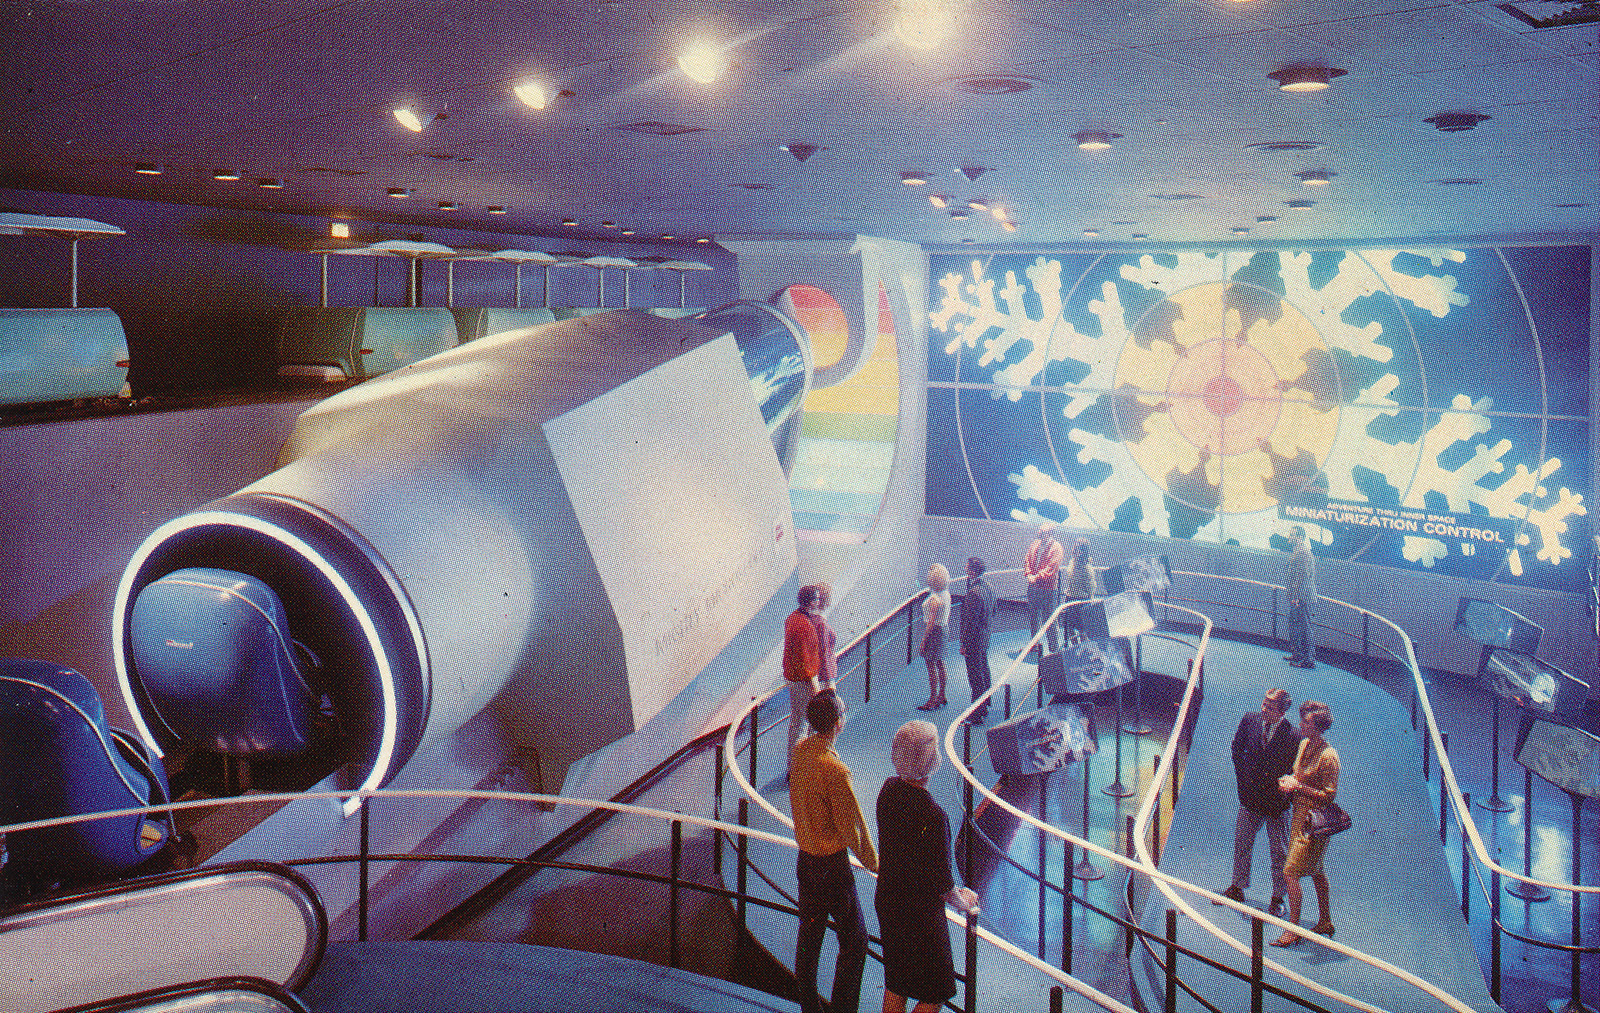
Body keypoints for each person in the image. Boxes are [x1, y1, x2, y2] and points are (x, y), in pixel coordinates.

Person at [875, 720, 979, 1013]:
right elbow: (944, 884)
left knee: (897, 983)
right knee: (935, 990)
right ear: (931, 760)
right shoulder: (934, 814)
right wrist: (964, 899)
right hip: (919, 915)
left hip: (889, 902)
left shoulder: (888, 790)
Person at [791, 690, 878, 1013]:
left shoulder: (800, 752)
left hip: (806, 863)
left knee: (809, 945)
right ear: (838, 722)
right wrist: (874, 863)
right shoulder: (834, 770)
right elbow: (851, 827)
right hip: (832, 869)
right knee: (855, 944)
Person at [1218, 688, 1299, 917]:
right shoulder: (1249, 720)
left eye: (1270, 707)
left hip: (1277, 805)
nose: (1264, 709)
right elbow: (1237, 750)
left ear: (1283, 712)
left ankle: (1277, 898)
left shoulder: (1294, 736)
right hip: (1250, 799)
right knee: (1242, 842)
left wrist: (1285, 797)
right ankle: (1237, 887)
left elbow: (1296, 772)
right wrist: (1242, 782)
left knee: (1279, 853)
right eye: (1264, 704)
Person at [1271, 701, 1340, 947]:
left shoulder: (1329, 756)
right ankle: (1325, 921)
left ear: (1319, 727)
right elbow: (1298, 775)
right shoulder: (1303, 744)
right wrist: (1290, 782)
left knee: (1290, 872)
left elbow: (1329, 796)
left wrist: (1298, 786)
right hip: (1298, 815)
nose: (1300, 724)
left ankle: (1293, 929)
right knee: (1317, 870)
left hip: (1314, 822)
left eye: (1306, 722)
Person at [785, 585, 825, 775]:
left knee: (796, 723)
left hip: (792, 678)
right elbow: (807, 661)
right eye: (816, 599)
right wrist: (816, 688)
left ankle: (793, 767)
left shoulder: (793, 617)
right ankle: (796, 771)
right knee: (803, 724)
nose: (819, 601)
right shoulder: (805, 626)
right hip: (802, 681)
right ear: (809, 602)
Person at [957, 558, 995, 723]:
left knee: (975, 676)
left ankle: (977, 713)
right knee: (984, 669)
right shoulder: (989, 587)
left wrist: (964, 643)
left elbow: (969, 622)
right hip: (985, 636)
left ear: (972, 571)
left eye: (967, 567)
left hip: (974, 639)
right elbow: (994, 611)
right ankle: (985, 704)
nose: (965, 568)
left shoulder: (973, 593)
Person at [1024, 522, 1064, 656]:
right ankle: (1034, 645)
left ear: (1050, 533)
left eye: (1042, 530)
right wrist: (1029, 574)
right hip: (1033, 588)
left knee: (1050, 621)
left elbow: (1051, 568)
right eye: (1039, 529)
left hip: (1048, 591)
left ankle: (1054, 650)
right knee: (1033, 619)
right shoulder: (1035, 543)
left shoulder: (1057, 547)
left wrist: (1035, 578)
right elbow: (1028, 559)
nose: (1039, 532)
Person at [917, 564, 951, 711]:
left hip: (934, 633)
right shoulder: (946, 594)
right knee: (940, 663)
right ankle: (942, 695)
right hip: (943, 630)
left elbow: (930, 623)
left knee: (931, 667)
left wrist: (923, 641)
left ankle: (932, 699)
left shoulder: (935, 599)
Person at [1283, 526, 1317, 668]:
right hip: (1299, 596)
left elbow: (1301, 577)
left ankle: (1309, 660)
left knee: (1304, 628)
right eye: (1290, 534)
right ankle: (1298, 654)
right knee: (1296, 626)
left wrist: (1296, 597)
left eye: (1293, 535)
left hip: (1302, 597)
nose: (1290, 537)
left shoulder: (1302, 553)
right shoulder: (1299, 551)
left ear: (1300, 537)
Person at [810, 583, 838, 692]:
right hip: (825, 675)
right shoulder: (820, 622)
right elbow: (823, 650)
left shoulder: (812, 619)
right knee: (830, 705)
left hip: (818, 673)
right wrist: (828, 676)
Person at [1062, 538, 1095, 606]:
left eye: (1078, 548)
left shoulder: (1087, 567)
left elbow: (1090, 587)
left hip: (1082, 600)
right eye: (1075, 548)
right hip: (1070, 597)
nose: (1075, 550)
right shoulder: (1072, 562)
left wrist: (1089, 599)